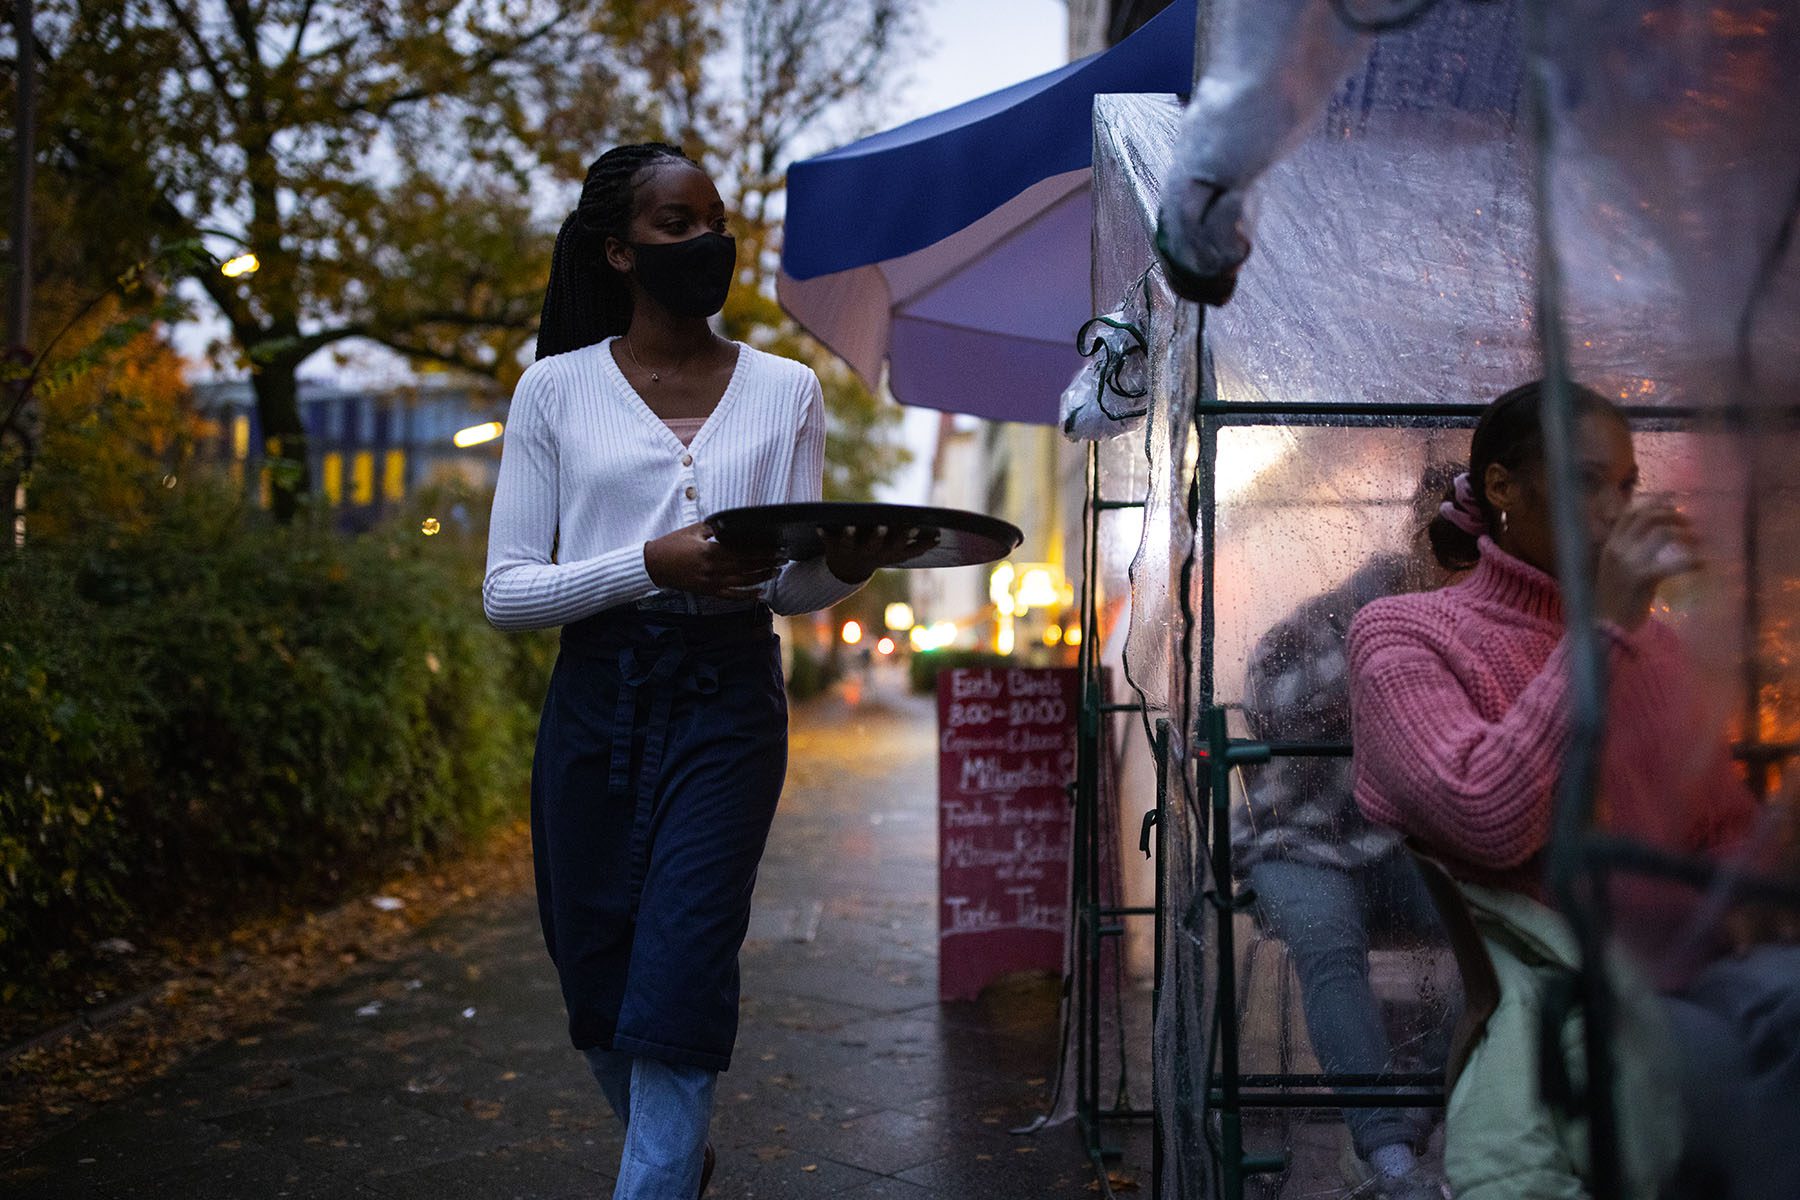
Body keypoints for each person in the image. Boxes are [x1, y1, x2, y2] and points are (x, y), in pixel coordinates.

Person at [482, 142, 923, 1200]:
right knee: (593, 972)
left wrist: (848, 567)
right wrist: (647, 562)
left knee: (681, 970)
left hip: (728, 700)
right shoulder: (552, 391)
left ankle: (657, 1176)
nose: (708, 244)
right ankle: (674, 1152)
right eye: (677, 227)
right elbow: (505, 592)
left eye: (715, 222)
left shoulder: (787, 392)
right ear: (619, 253)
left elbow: (784, 589)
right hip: (597, 698)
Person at [1347, 379, 1800, 1200]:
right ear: (1501, 488)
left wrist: (1762, 866)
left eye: (1627, 486)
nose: (1617, 509)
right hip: (1573, 983)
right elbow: (1485, 816)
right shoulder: (1404, 635)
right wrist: (1605, 632)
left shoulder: (1658, 650)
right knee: (1733, 1078)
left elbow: (1723, 828)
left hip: (1694, 962)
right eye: (1587, 481)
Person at [1235, 463, 1458, 1200]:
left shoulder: (1481, 604)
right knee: (1330, 944)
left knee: (1498, 929)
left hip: (1398, 836)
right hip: (1295, 832)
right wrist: (1375, 651)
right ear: (1418, 526)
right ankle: (1391, 1158)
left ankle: (1404, 1127)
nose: (1453, 547)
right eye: (1440, 527)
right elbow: (1264, 693)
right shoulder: (1366, 595)